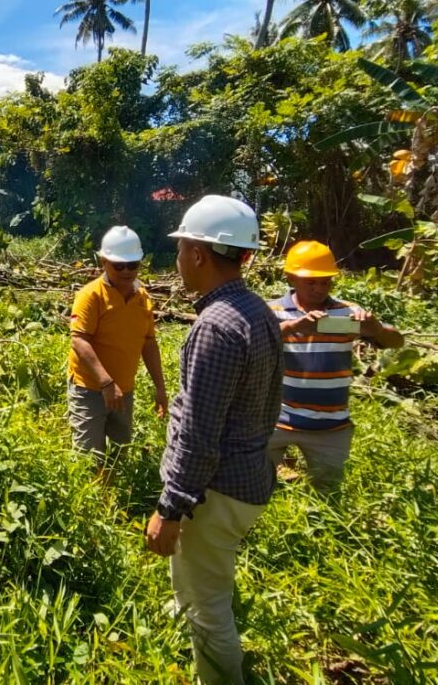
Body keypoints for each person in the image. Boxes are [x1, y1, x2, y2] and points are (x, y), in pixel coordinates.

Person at [144, 195, 283, 685]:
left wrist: (171, 507)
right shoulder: (258, 312)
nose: (178, 259)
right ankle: (184, 629)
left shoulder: (215, 327)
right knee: (197, 581)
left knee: (211, 609)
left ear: (199, 255)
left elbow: (200, 435)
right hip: (248, 477)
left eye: (181, 248)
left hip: (216, 489)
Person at [267, 240, 404, 491]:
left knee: (327, 492)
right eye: (311, 282)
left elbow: (396, 341)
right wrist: (294, 328)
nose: (319, 289)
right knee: (254, 485)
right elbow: (252, 339)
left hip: (330, 425)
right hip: (276, 420)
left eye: (325, 281)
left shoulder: (347, 312)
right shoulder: (273, 310)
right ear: (291, 278)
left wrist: (376, 329)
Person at [67, 225, 167, 478]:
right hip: (90, 388)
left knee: (120, 451)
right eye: (118, 265)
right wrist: (106, 382)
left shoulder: (143, 298)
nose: (126, 271)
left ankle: (112, 499)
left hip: (124, 389)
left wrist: (160, 387)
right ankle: (91, 509)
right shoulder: (90, 295)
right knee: (88, 456)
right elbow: (79, 340)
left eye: (132, 265)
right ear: (104, 262)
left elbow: (149, 343)